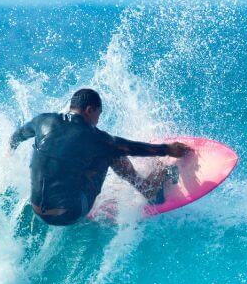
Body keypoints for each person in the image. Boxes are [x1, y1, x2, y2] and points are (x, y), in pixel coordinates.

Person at [10, 88, 190, 226]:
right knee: (110, 153)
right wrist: (167, 149)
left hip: (37, 210)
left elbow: (17, 136)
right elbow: (130, 148)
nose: (98, 120)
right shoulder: (94, 137)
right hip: (69, 214)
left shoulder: (43, 120)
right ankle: (150, 191)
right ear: (89, 110)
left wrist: (10, 149)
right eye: (98, 114)